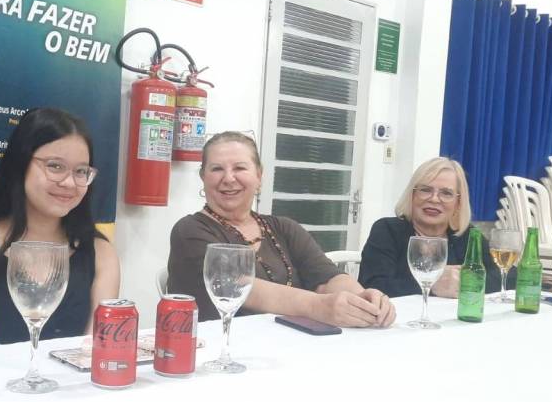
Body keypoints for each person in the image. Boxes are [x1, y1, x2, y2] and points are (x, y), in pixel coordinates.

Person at [167, 132, 395, 328]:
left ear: (259, 176)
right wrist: (321, 306)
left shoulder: (283, 227)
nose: (228, 178)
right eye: (217, 169)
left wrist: (363, 299)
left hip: (289, 345)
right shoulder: (190, 231)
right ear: (203, 178)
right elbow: (240, 287)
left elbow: (327, 278)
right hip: (216, 348)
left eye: (240, 168)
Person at [0, 108, 120, 346]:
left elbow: (94, 353)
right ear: (20, 164)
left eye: (80, 171)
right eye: (55, 166)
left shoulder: (101, 253)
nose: (69, 183)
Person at [358, 157, 502, 298]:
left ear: (458, 203)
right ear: (412, 195)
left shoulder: (467, 235)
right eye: (425, 190)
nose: (434, 199)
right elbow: (372, 286)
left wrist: (466, 282)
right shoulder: (387, 230)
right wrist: (432, 284)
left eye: (446, 193)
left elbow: (505, 276)